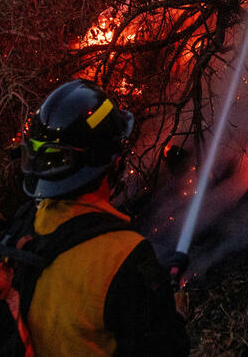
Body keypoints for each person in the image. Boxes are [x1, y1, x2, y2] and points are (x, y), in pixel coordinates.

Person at [17, 78, 189, 356]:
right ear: (114, 162)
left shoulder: (27, 230)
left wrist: (154, 279)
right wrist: (174, 314)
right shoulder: (123, 256)